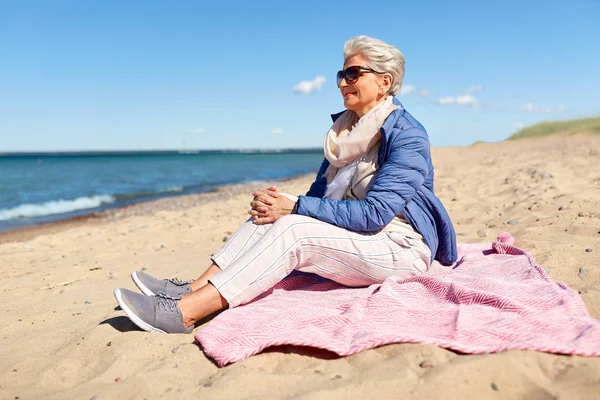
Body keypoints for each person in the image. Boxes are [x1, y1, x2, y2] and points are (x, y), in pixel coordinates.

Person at [113, 35, 458, 334]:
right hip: (362, 239)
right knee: (274, 215)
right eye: (341, 74)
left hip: (399, 245)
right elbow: (318, 198)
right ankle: (193, 287)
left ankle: (186, 313)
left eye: (354, 74)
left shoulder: (408, 135)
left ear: (385, 81)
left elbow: (374, 215)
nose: (342, 82)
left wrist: (294, 207)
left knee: (295, 227)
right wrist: (280, 206)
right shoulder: (345, 133)